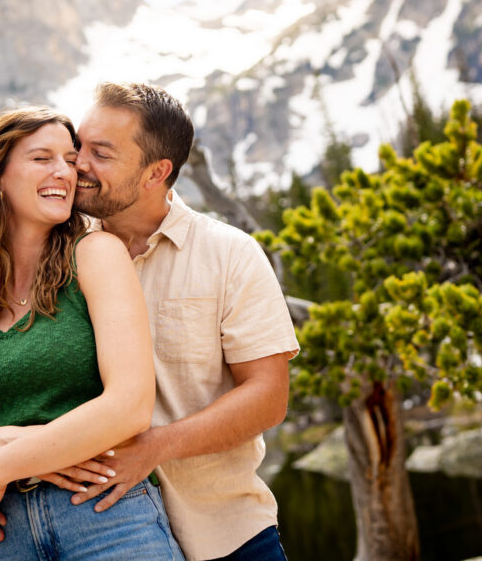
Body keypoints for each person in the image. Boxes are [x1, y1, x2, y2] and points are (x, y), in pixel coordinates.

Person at [0, 105, 184, 560]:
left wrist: (0, 465)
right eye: (42, 158)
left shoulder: (96, 255)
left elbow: (130, 406)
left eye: (70, 159)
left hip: (105, 517)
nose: (65, 172)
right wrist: (4, 448)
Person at [50, 82, 300, 561]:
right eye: (80, 146)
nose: (78, 163)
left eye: (101, 153)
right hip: (100, 536)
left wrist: (154, 448)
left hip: (227, 534)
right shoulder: (54, 254)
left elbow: (268, 396)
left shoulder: (230, 254)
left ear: (156, 172)